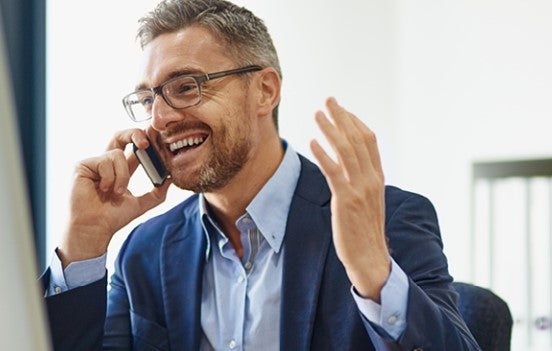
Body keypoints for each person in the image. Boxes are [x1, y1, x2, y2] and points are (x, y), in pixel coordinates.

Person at [42, 0, 480, 350]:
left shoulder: (386, 219)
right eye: (148, 99)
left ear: (265, 90)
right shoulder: (145, 252)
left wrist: (374, 274)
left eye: (186, 86)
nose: (159, 119)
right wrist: (83, 241)